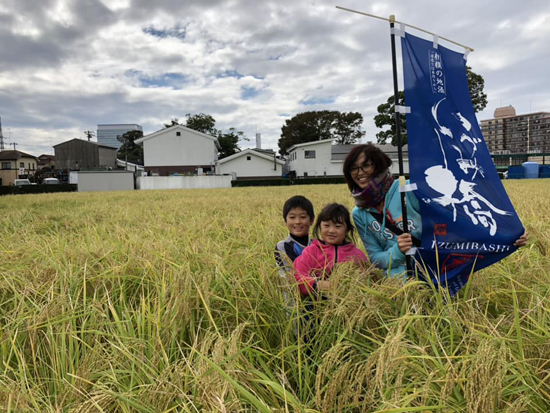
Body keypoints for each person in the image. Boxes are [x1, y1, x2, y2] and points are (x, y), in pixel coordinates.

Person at [343, 143, 529, 278]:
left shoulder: (407, 191)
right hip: (398, 286)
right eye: (354, 168)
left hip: (437, 274)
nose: (360, 172)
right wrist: (398, 250)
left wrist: (505, 233)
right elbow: (376, 259)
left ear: (378, 165)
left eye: (366, 165)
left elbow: (455, 220)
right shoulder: (360, 213)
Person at [293, 203, 368, 297]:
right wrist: (317, 285)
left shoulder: (357, 255)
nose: (331, 230)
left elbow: (367, 279)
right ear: (320, 226)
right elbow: (297, 275)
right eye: (326, 225)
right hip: (316, 302)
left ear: (347, 229)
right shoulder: (311, 252)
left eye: (338, 226)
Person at [274, 195, 315, 272]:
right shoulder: (283, 246)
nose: (298, 222)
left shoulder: (317, 245)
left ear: (312, 220)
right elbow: (294, 274)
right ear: (285, 221)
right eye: (292, 217)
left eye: (303, 217)